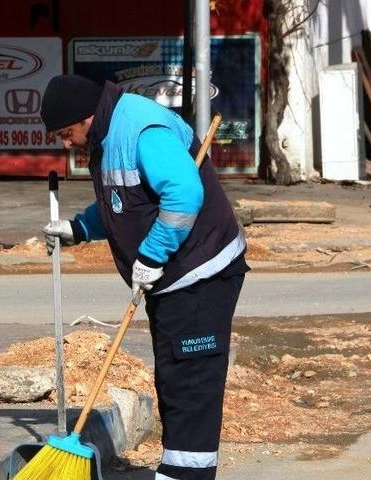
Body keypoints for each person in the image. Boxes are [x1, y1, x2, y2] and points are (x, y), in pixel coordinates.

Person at [40, 74, 248, 480]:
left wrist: (153, 254)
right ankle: (178, 468)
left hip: (200, 271)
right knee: (173, 374)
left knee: (192, 378)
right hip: (174, 278)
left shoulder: (140, 128)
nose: (66, 144)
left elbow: (184, 194)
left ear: (85, 118)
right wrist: (80, 229)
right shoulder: (108, 134)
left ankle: (186, 474)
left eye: (66, 133)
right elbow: (123, 200)